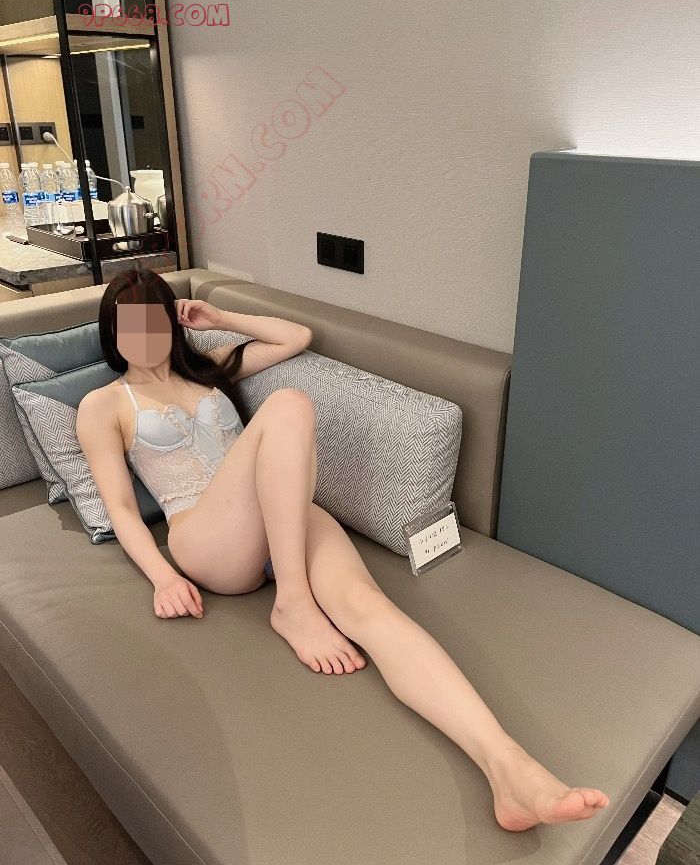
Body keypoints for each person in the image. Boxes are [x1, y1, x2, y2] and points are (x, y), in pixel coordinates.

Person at [77, 268, 610, 832]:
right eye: (129, 326)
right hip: (207, 539)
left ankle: (509, 770)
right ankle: (293, 604)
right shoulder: (104, 405)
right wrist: (162, 576)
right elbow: (122, 509)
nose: (143, 338)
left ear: (171, 322)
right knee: (288, 405)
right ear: (113, 333)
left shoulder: (209, 367)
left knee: (371, 611)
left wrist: (219, 317)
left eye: (154, 321)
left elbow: (296, 337)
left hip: (284, 518)